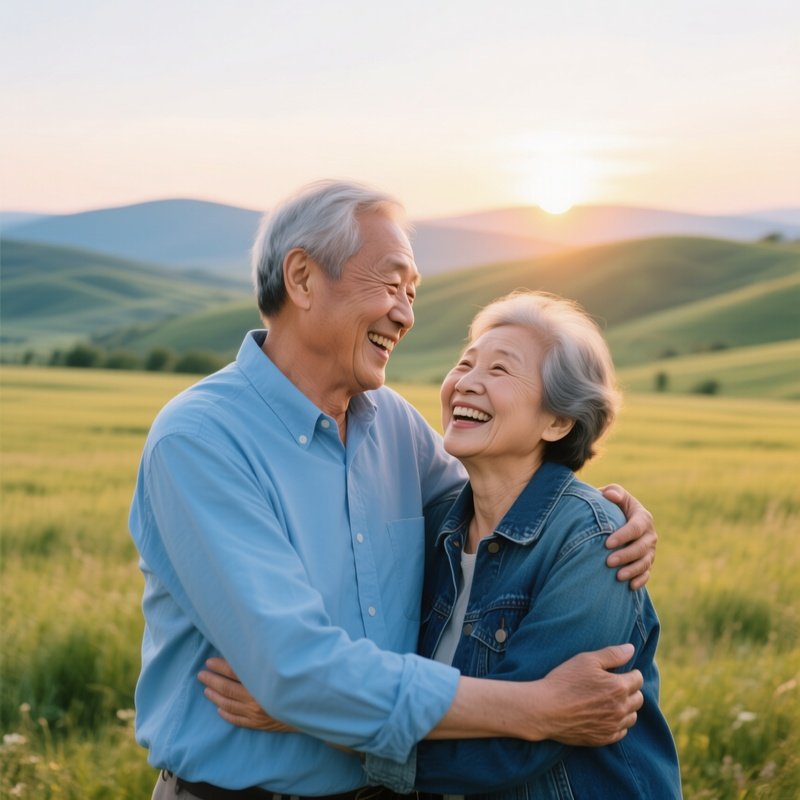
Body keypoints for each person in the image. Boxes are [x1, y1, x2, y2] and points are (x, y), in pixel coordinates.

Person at [130, 180, 657, 800]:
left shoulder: (395, 427)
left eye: (412, 294)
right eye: (391, 284)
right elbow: (294, 672)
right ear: (301, 278)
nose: (405, 313)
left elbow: (508, 506)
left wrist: (607, 515)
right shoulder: (201, 440)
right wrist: (536, 708)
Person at [201, 290, 681, 798]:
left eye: (500, 371)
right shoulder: (433, 527)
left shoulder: (592, 543)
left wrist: (308, 716)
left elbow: (510, 748)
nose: (467, 382)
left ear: (558, 420)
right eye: (464, 363)